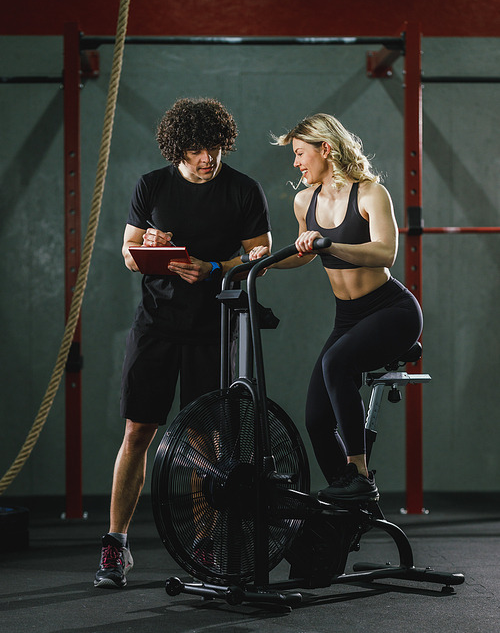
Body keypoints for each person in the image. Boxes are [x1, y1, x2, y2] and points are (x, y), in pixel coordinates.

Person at [94, 98, 272, 588]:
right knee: (137, 433)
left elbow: (261, 253)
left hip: (211, 327)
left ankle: (206, 542)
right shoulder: (151, 185)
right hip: (156, 324)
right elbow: (129, 256)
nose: (207, 158)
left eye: (214, 147)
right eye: (196, 149)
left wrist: (216, 268)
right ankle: (116, 545)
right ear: (178, 148)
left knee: (204, 441)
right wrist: (147, 247)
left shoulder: (242, 190)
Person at [249, 113, 422, 503]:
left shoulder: (370, 192)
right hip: (348, 318)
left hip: (392, 311)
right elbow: (304, 254)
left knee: (336, 364)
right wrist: (270, 260)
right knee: (316, 419)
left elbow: (386, 252)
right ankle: (350, 506)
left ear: (325, 149)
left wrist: (329, 244)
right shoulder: (303, 201)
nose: (296, 163)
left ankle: (360, 475)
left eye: (299, 153)